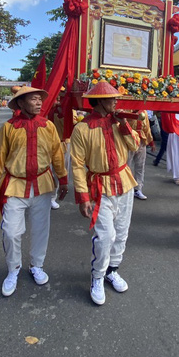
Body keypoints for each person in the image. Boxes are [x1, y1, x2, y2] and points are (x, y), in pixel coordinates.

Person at [0, 86, 67, 298]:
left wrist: (63, 179)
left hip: (43, 185)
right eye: (34, 99)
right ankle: (13, 269)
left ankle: (37, 265)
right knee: (11, 231)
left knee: (41, 229)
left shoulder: (48, 126)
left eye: (40, 99)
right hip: (15, 185)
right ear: (20, 103)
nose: (39, 103)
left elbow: (57, 155)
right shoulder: (9, 127)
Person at [70, 81, 140, 306]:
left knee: (121, 232)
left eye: (115, 98)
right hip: (99, 187)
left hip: (125, 183)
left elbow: (135, 147)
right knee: (105, 236)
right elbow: (78, 165)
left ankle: (113, 269)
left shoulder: (120, 121)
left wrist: (124, 126)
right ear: (98, 101)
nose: (115, 102)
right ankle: (98, 276)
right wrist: (82, 196)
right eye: (111, 99)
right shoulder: (82, 128)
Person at [127, 110, 155, 200]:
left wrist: (151, 142)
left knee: (140, 166)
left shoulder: (144, 112)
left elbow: (147, 128)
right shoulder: (127, 110)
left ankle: (138, 189)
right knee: (126, 166)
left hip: (141, 141)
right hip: (129, 140)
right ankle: (127, 188)